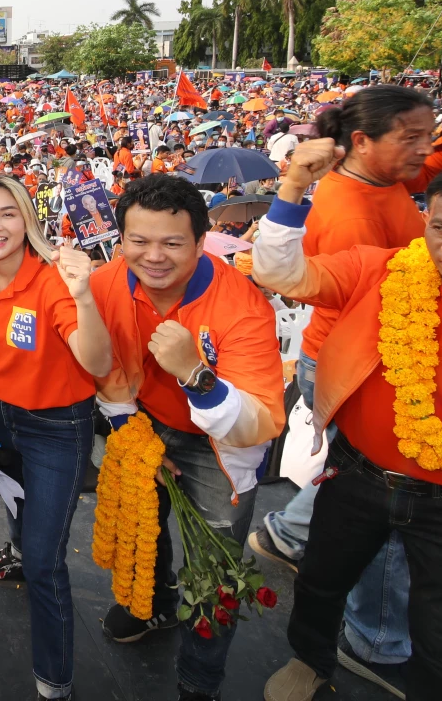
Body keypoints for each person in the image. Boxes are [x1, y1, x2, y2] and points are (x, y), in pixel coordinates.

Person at [250, 86, 442, 690]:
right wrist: (292, 187)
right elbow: (280, 271)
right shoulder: (381, 261)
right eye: (440, 228)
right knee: (321, 581)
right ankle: (321, 657)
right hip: (360, 470)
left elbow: (440, 171)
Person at [89, 174, 285, 701]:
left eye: (173, 243)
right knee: (142, 519)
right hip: (143, 420)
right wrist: (132, 432)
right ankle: (153, 605)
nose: (154, 256)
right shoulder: (107, 281)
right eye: (139, 240)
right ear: (120, 238)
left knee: (216, 568)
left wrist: (196, 374)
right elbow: (102, 369)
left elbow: (263, 421)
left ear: (201, 243)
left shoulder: (241, 306)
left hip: (217, 447)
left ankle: (200, 681)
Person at [0, 176, 112, 701]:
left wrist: (84, 297)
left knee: (47, 562)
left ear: (28, 217)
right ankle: (15, 549)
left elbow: (96, 361)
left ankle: (55, 680)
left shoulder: (53, 280)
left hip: (56, 427)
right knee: (15, 504)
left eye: (8, 213)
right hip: (1, 417)